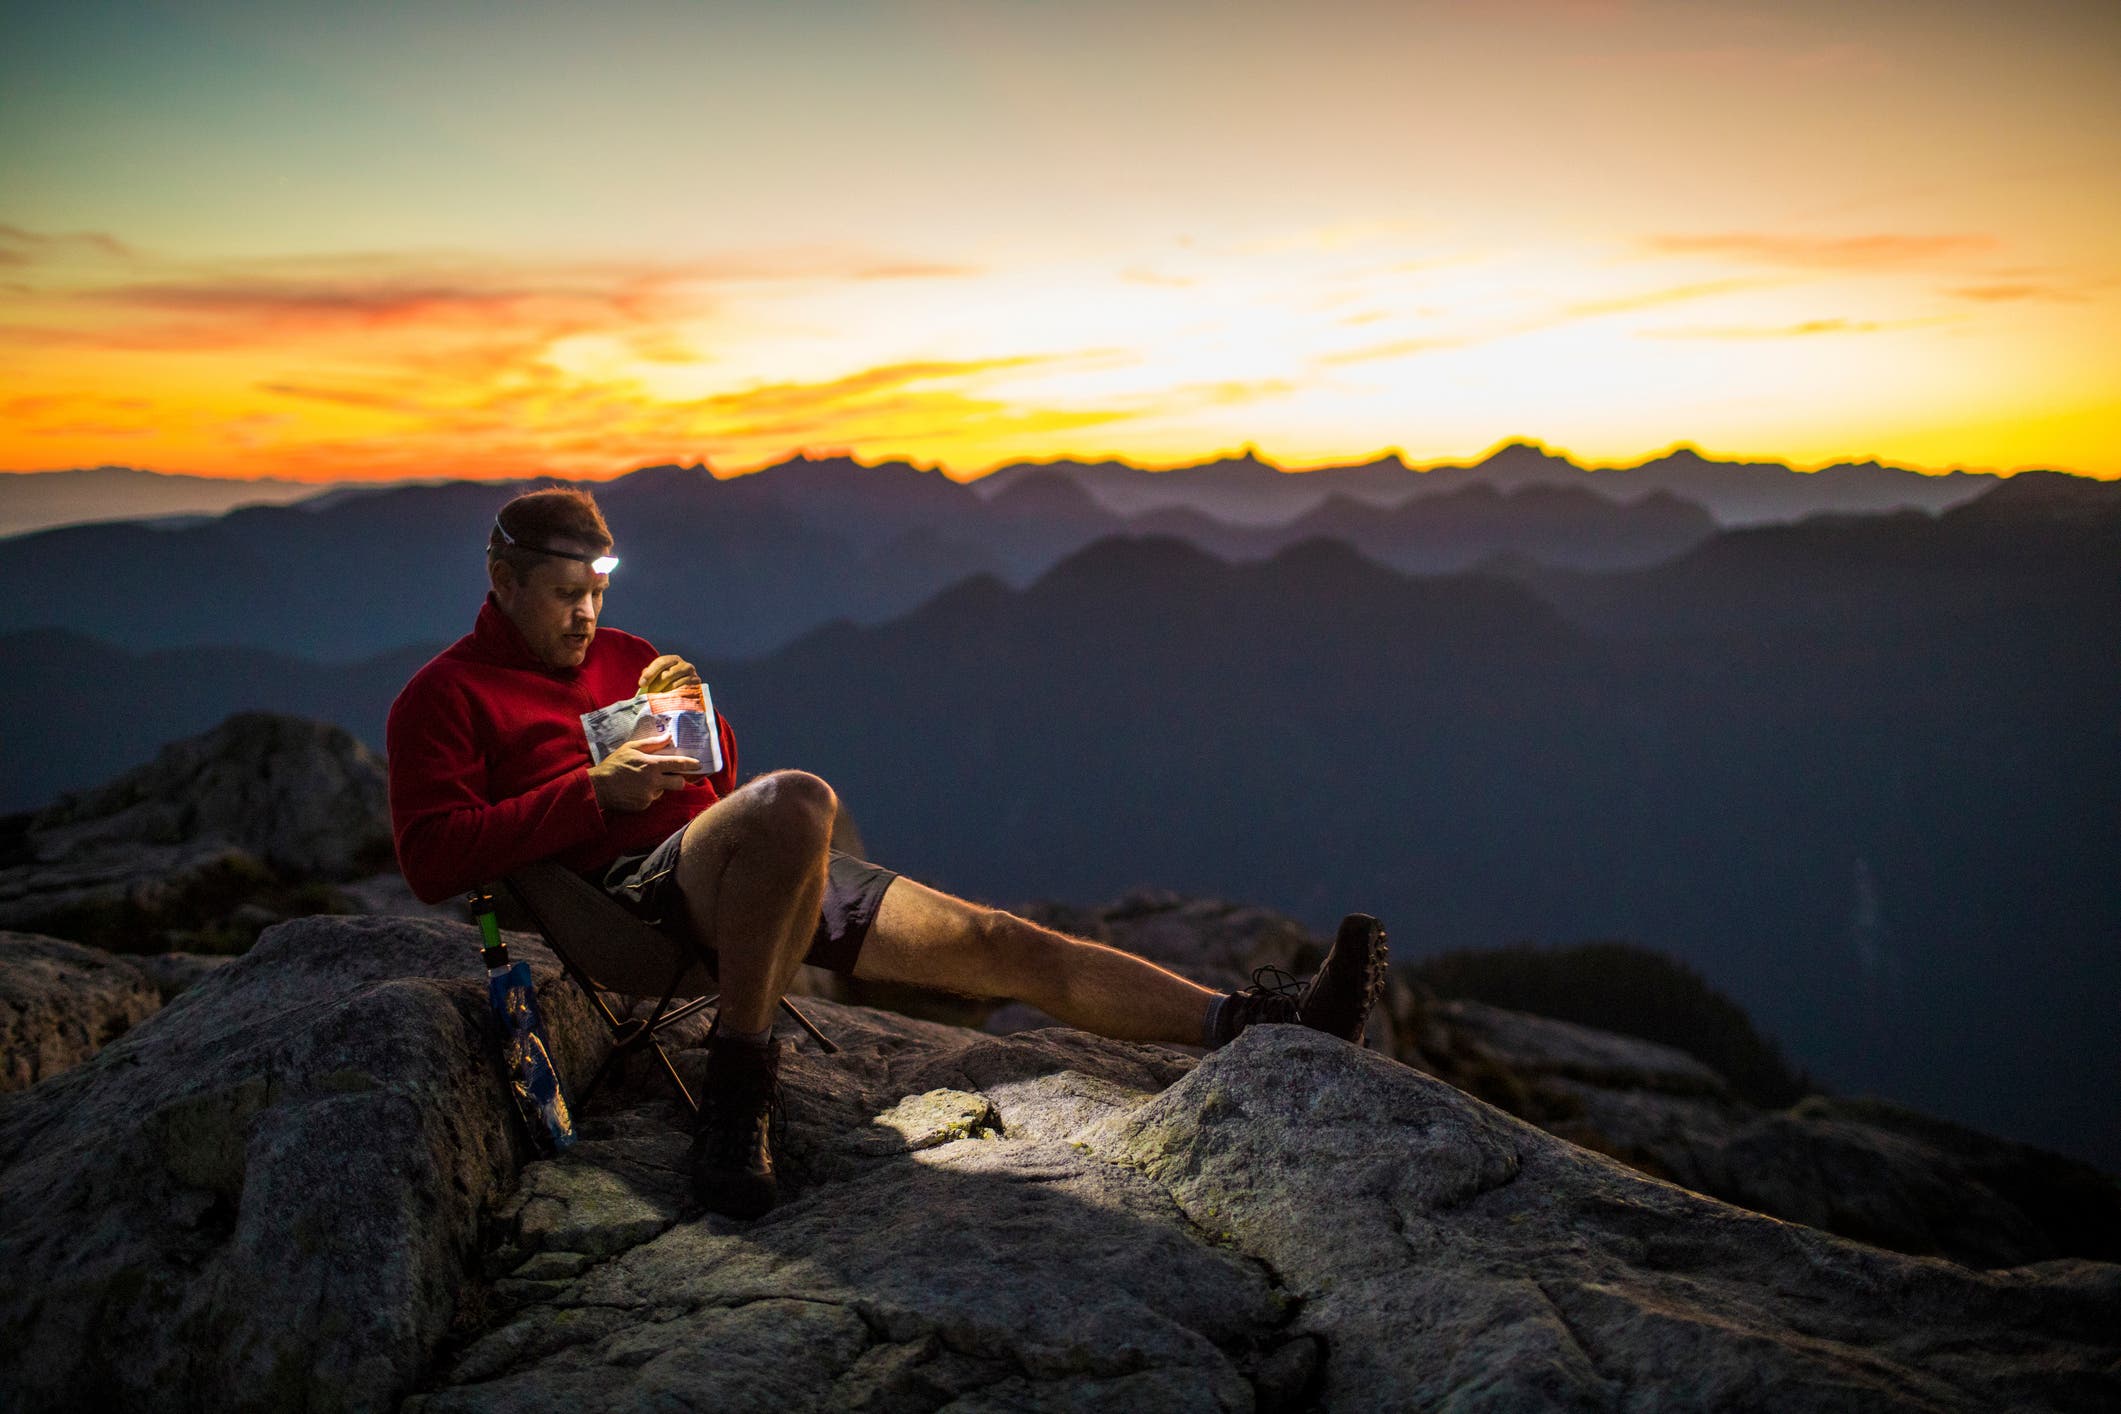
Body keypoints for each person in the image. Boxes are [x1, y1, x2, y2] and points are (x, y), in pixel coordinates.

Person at [386, 485, 1389, 1219]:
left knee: (1000, 940)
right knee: (805, 796)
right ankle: (741, 1092)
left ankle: (1263, 1019)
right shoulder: (446, 697)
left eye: (596, 592)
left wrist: (701, 728)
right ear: (502, 580)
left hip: (730, 873)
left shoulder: (621, 654)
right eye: (563, 595)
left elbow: (721, 798)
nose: (587, 617)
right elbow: (434, 858)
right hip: (626, 905)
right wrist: (586, 794)